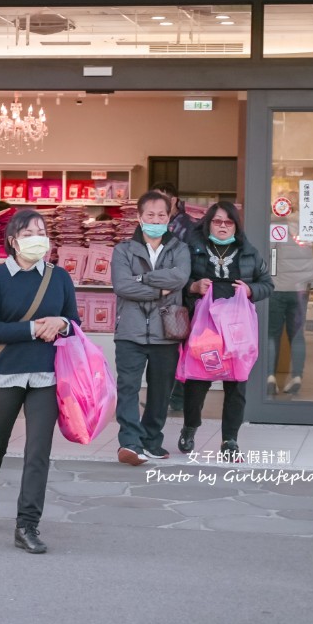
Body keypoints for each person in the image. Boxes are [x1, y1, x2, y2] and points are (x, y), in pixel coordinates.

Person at [0, 210, 79, 554]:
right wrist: (35, 328)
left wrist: (60, 323)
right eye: (29, 232)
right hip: (4, 374)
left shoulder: (59, 277)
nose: (38, 237)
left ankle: (26, 525)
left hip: (46, 376)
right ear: (14, 240)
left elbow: (75, 323)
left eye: (42, 231)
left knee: (38, 452)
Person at [180, 202, 273, 461]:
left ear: (235, 225)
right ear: (208, 223)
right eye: (217, 221)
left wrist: (251, 290)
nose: (222, 226)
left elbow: (268, 284)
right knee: (198, 380)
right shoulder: (192, 249)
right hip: (205, 324)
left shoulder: (248, 252)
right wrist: (193, 286)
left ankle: (230, 440)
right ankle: (190, 426)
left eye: (228, 221)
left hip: (236, 327)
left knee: (236, 382)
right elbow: (177, 280)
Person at [111, 190, 191, 466]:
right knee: (128, 389)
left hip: (166, 331)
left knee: (160, 391)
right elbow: (122, 285)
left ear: (169, 218)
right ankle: (130, 443)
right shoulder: (123, 249)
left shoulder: (179, 248)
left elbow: (180, 277)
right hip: (130, 332)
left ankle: (151, 440)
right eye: (150, 215)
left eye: (161, 215)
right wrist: (159, 291)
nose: (156, 219)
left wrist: (142, 278)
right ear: (139, 217)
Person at [151, 180, 198, 412]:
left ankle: (177, 398)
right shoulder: (155, 224)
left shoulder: (187, 228)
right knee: (167, 348)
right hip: (160, 297)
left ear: (174, 201)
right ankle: (168, 398)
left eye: (162, 199)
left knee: (177, 347)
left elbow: (186, 264)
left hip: (180, 298)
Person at [267, 193, 313, 396]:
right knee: (297, 334)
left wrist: (270, 280)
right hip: (300, 289)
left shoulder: (275, 225)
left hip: (277, 288)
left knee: (272, 334)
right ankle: (297, 376)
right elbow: (309, 259)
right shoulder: (307, 227)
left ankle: (270, 376)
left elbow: (271, 255)